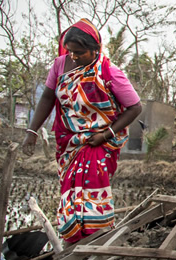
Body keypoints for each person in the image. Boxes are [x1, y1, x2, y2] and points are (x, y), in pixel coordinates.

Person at [22, 19, 143, 243]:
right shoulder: (60, 65)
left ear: (95, 49)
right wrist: (32, 131)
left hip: (97, 145)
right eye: (70, 52)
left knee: (93, 197)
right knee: (69, 197)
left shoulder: (108, 72)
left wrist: (105, 135)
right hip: (69, 144)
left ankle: (95, 244)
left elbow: (135, 107)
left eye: (79, 52)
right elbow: (48, 97)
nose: (74, 57)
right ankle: (72, 243)